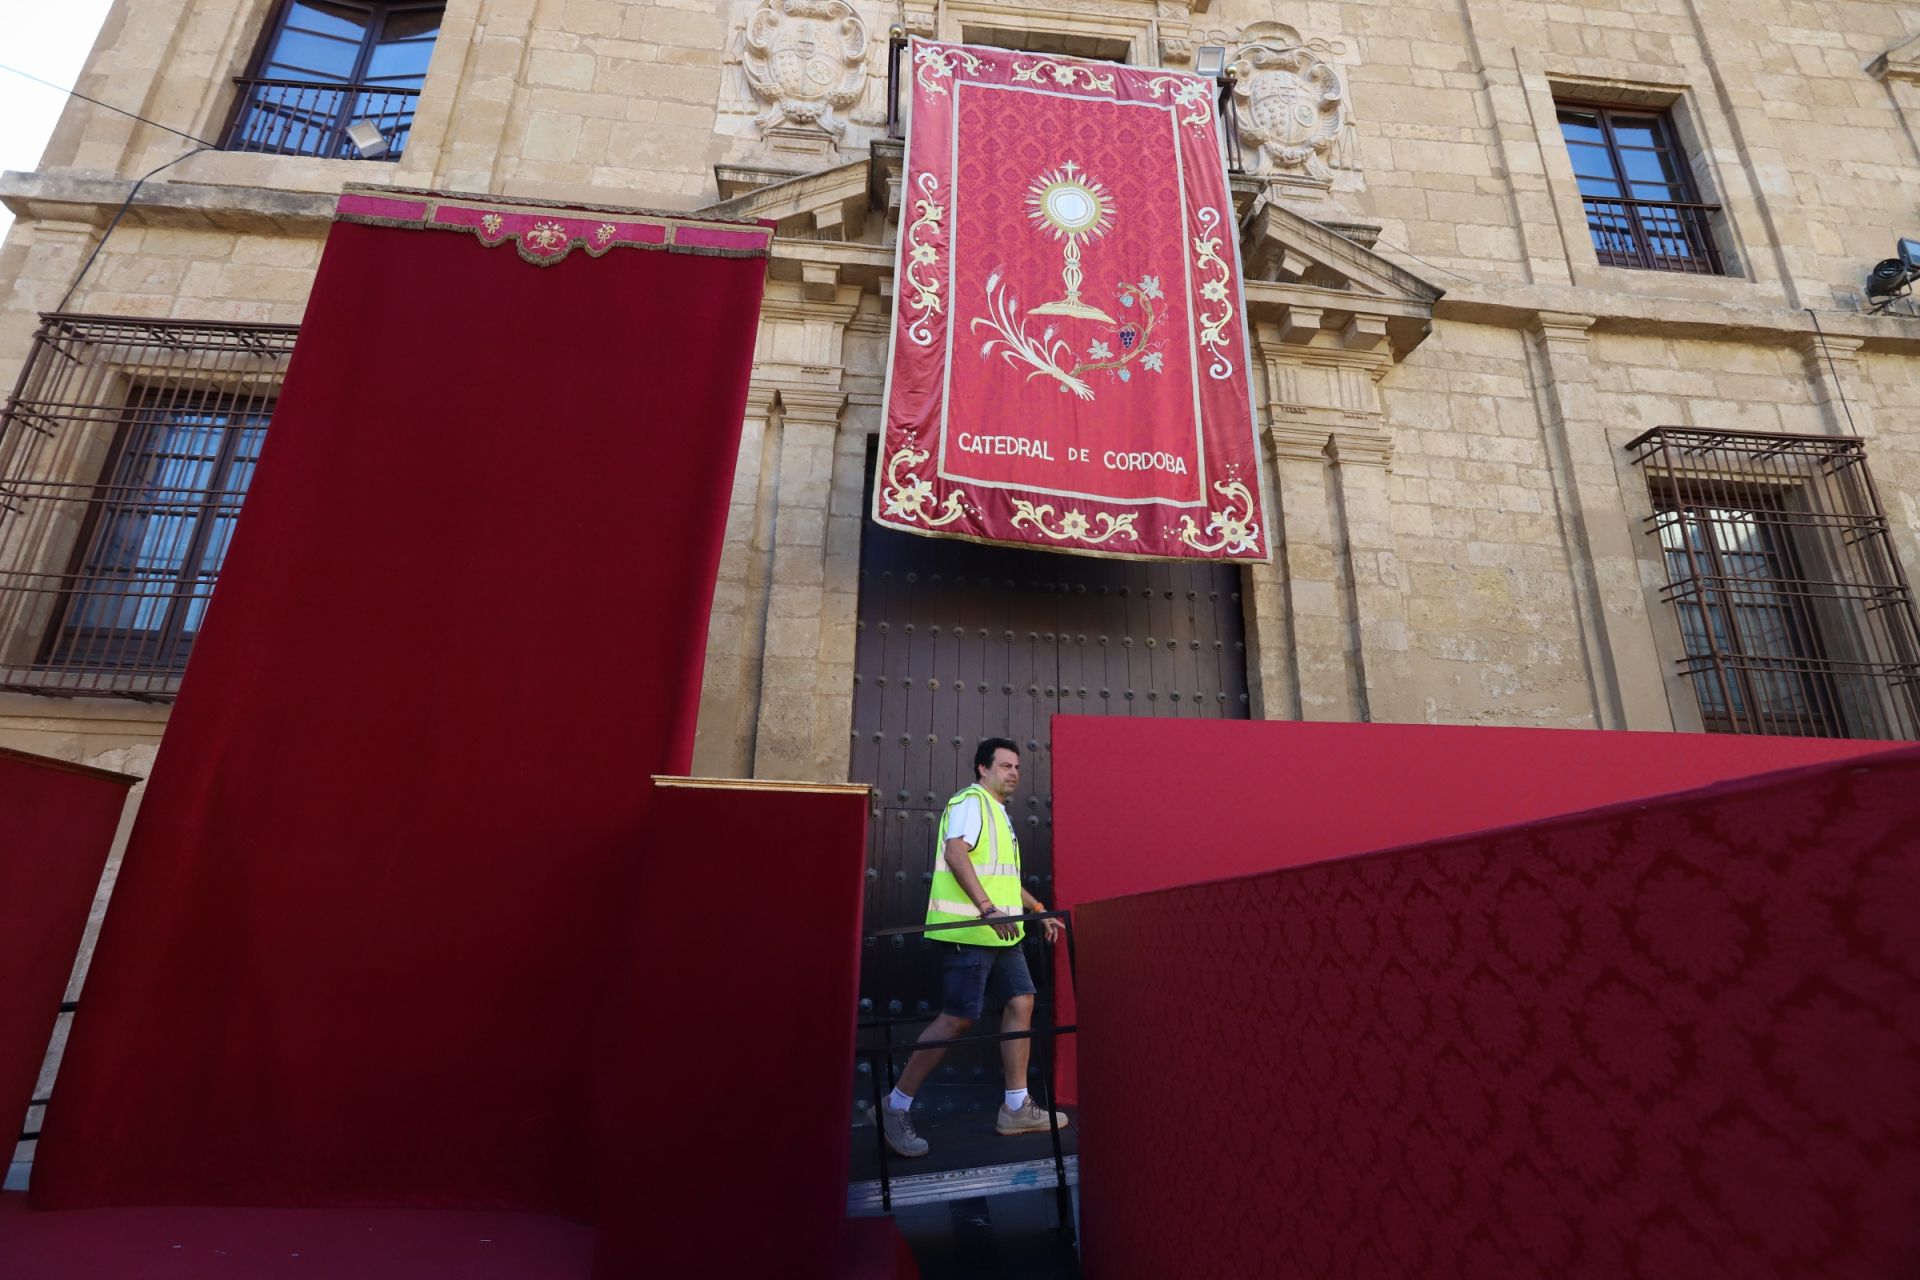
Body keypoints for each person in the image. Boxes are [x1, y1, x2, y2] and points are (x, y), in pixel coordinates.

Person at [880, 738, 1068, 1158]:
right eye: (1005, 765)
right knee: (958, 1019)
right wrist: (985, 908)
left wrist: (1038, 910)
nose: (1014, 772)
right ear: (983, 769)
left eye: (1017, 766)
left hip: (1005, 933)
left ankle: (1016, 1107)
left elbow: (1001, 877)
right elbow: (956, 852)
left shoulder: (998, 813)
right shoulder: (970, 802)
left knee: (1022, 1001)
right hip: (972, 931)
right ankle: (894, 1107)